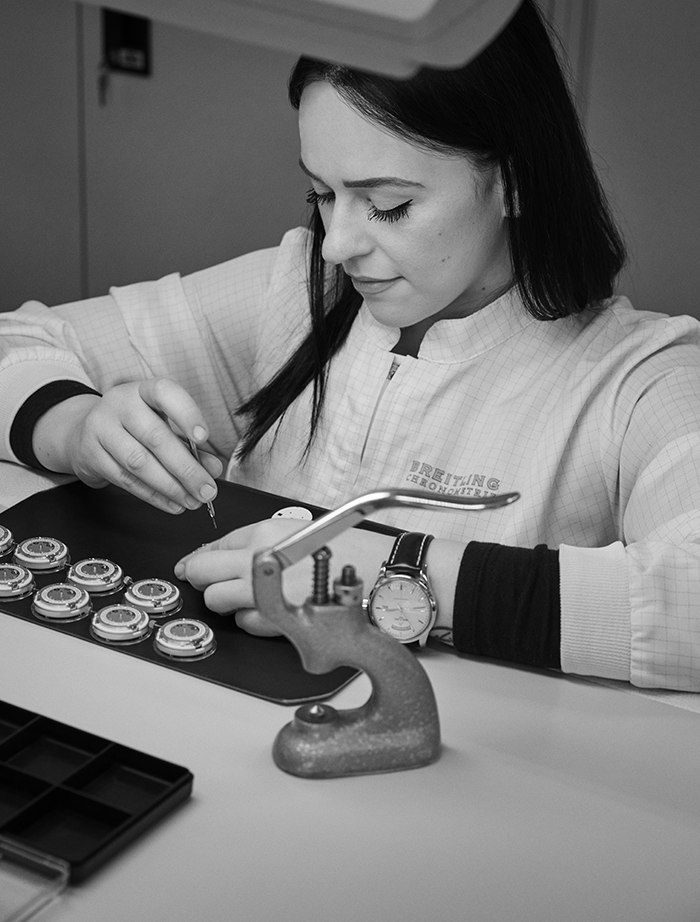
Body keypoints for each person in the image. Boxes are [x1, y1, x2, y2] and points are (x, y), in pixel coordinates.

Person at [2, 0, 700, 690]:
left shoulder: (640, 377)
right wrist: (75, 427)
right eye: (322, 195)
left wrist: (387, 574)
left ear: (514, 181)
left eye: (389, 205)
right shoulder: (295, 292)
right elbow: (21, 341)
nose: (336, 246)